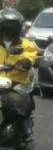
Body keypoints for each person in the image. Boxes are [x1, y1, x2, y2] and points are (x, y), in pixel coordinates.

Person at [0, 8, 38, 141]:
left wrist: (25, 62)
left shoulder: (25, 44)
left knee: (18, 104)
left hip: (18, 81)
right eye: (6, 24)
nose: (9, 28)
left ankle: (23, 128)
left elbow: (30, 55)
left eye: (13, 25)